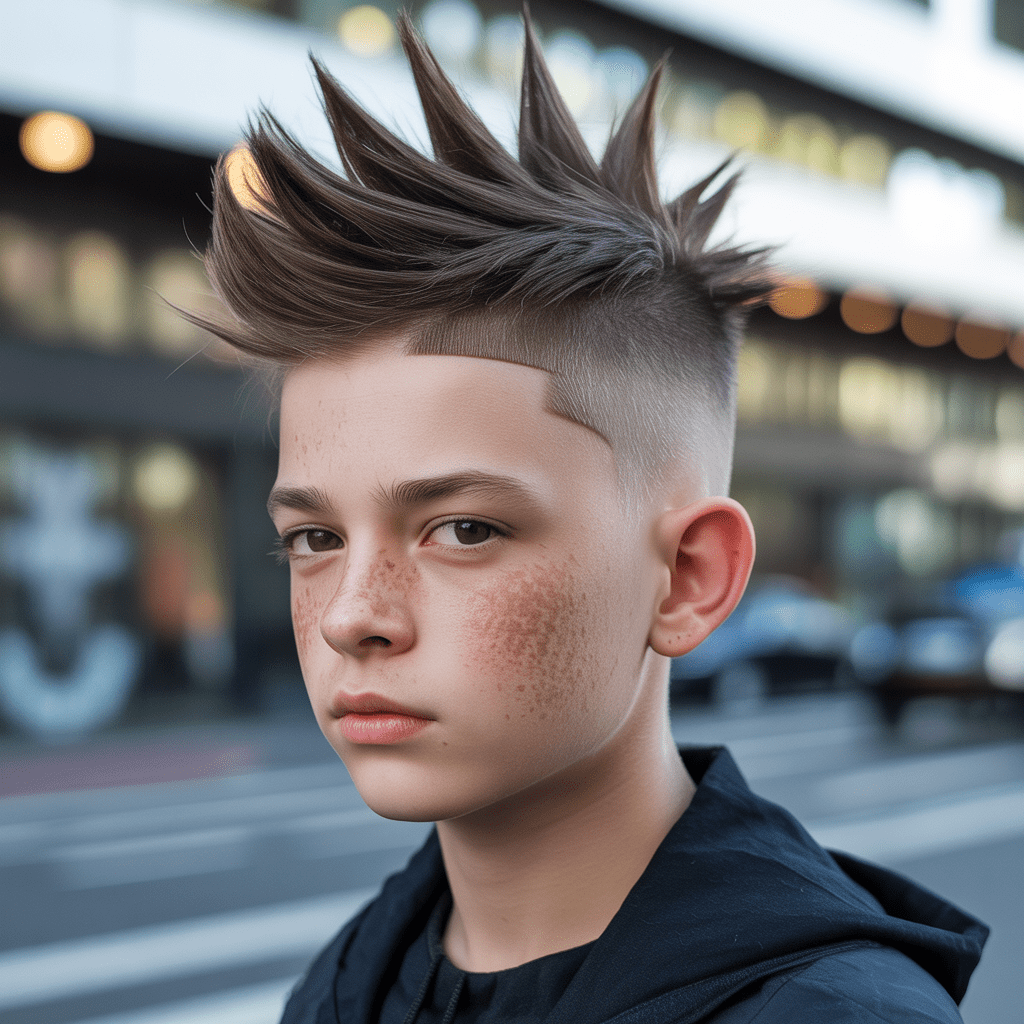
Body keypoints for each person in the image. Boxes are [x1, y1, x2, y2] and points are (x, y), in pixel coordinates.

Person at [188, 11, 987, 1023]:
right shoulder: (343, 984)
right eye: (316, 538)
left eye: (463, 529)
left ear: (688, 577)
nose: (352, 616)